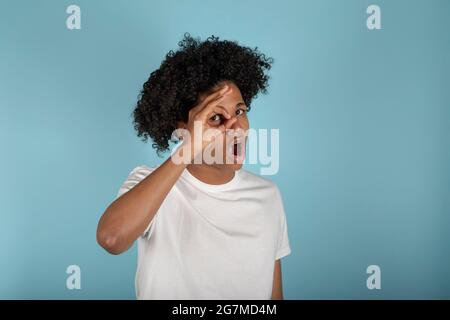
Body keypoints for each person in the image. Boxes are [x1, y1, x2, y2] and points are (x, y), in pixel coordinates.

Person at [96, 34, 291, 300]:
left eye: (240, 111)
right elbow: (112, 238)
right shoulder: (150, 184)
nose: (235, 127)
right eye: (216, 117)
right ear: (183, 129)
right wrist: (188, 148)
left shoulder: (267, 195)